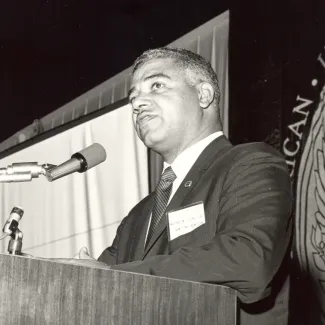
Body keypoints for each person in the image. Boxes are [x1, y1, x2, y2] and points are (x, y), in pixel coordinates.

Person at [74, 47, 293, 324]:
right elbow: (96, 282)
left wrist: (109, 275)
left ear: (203, 95)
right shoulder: (137, 216)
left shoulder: (250, 163)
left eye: (156, 85)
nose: (138, 103)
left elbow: (249, 262)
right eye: (133, 98)